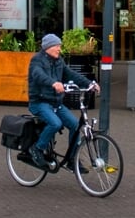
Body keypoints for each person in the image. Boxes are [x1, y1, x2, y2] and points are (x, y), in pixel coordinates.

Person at [26, 32, 94, 168]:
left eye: (59, 46)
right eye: (57, 46)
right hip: (40, 103)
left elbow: (71, 74)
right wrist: (53, 83)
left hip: (56, 103)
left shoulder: (59, 61)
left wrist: (89, 83)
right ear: (48, 47)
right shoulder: (37, 60)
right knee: (55, 124)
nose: (59, 49)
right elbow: (38, 75)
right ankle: (37, 149)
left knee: (75, 125)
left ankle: (72, 159)